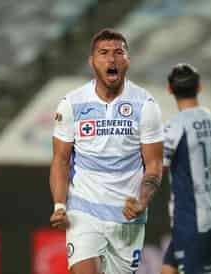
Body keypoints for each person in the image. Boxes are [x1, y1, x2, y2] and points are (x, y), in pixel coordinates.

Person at [49, 28, 164, 274]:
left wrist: (143, 201)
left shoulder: (145, 105)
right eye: (104, 53)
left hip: (128, 217)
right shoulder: (72, 104)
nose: (111, 60)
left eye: (118, 53)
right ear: (92, 61)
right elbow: (60, 160)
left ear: (128, 61)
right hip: (84, 212)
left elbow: (154, 164)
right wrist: (60, 206)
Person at [160, 63, 211, 274]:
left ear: (169, 90)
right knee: (168, 270)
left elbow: (154, 169)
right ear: (199, 87)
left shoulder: (174, 127)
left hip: (190, 220)